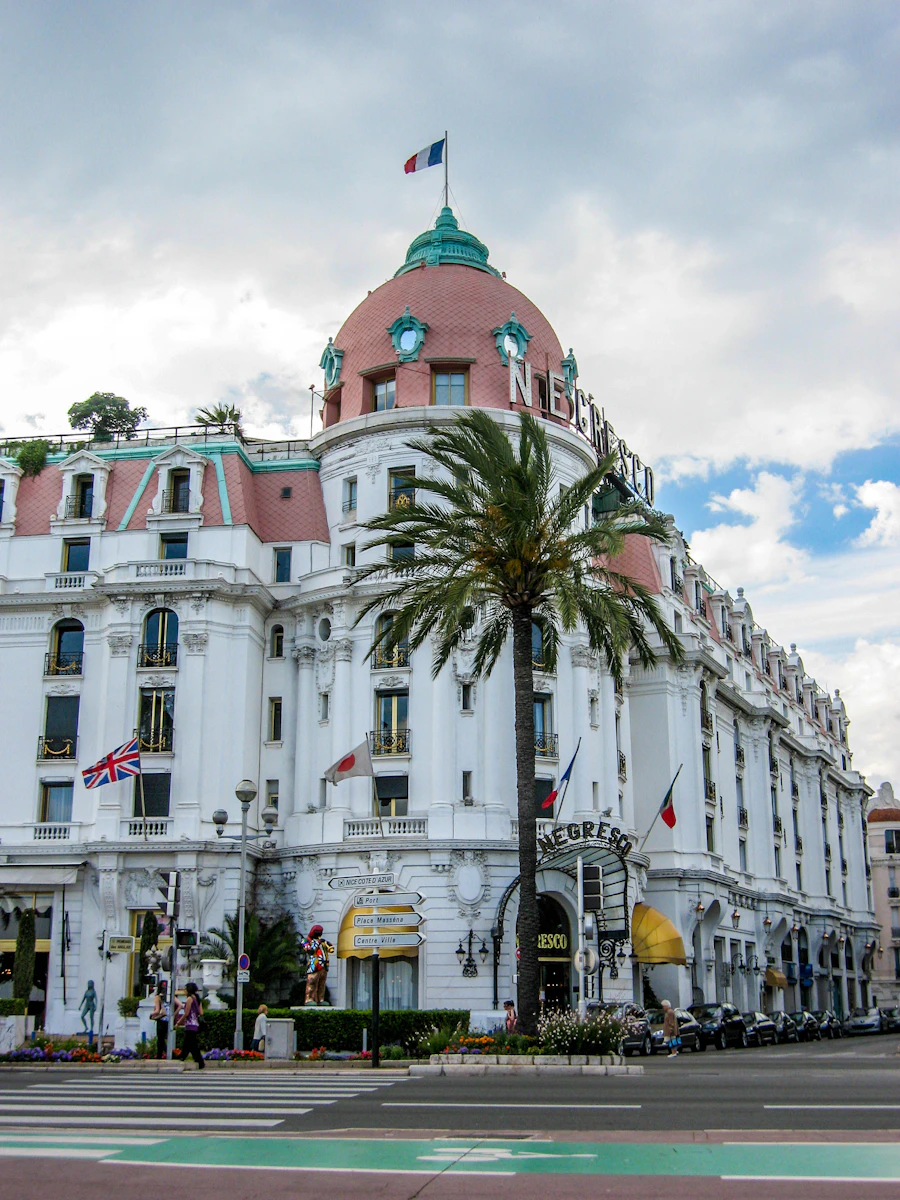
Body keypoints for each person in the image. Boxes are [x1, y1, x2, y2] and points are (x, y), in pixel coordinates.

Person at [303, 924, 335, 1005]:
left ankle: (321, 999)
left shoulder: (323, 941)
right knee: (312, 982)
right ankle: (309, 999)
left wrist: (327, 945)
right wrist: (316, 943)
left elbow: (331, 949)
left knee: (322, 983)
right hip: (314, 965)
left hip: (324, 965)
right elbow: (310, 951)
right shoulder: (306, 941)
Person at [149, 981, 180, 1059]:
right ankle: (170, 1054)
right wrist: (173, 1015)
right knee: (166, 1038)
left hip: (161, 1019)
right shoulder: (171, 996)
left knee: (160, 1039)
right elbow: (180, 1005)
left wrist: (151, 1014)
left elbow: (157, 1010)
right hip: (169, 1020)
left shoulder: (157, 997)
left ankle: (160, 1055)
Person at [179, 981, 205, 1068]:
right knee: (190, 1043)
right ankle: (185, 1056)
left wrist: (178, 1022)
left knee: (190, 1043)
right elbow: (201, 1012)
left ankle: (184, 1057)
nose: (184, 991)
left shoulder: (189, 999)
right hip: (196, 1024)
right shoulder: (197, 999)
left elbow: (186, 1013)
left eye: (185, 989)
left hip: (190, 1023)